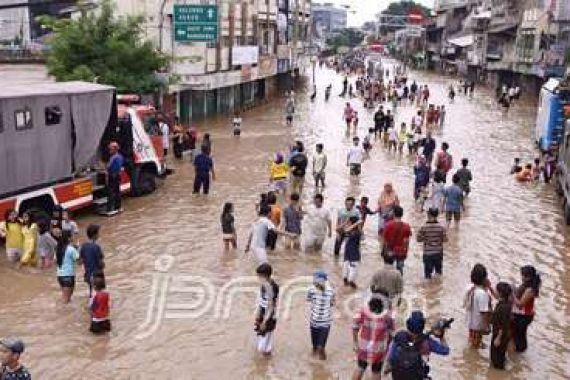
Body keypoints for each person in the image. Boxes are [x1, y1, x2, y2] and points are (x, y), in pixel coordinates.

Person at [387, 311, 449, 380]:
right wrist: (441, 337)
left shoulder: (399, 336)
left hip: (398, 376)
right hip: (417, 376)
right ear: (422, 326)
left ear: (408, 324)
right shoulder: (427, 341)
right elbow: (445, 350)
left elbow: (391, 358)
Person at [352, 297, 395, 380]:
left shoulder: (363, 311)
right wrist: (387, 348)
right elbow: (391, 334)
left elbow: (354, 326)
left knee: (360, 367)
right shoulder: (388, 316)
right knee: (376, 371)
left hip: (363, 347)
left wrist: (355, 342)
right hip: (378, 349)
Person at [306, 271, 335, 360]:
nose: (315, 282)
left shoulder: (331, 291)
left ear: (323, 281)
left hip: (325, 323)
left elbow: (332, 303)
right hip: (313, 322)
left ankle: (323, 365)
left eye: (317, 281)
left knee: (321, 348)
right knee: (314, 346)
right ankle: (316, 367)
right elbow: (309, 299)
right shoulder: (311, 289)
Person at [512, 265, 541, 353]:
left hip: (524, 316)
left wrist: (512, 293)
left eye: (523, 276)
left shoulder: (530, 290)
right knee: (520, 334)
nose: (522, 277)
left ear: (528, 277)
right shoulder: (528, 286)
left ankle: (519, 352)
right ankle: (520, 355)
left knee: (519, 336)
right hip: (524, 315)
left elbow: (520, 305)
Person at [463, 263, 492, 349]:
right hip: (478, 325)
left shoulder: (469, 287)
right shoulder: (482, 294)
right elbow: (484, 313)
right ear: (484, 278)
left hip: (470, 321)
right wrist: (487, 326)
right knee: (474, 347)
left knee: (472, 341)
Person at [254, 263, 279, 356]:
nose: (258, 278)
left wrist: (265, 321)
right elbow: (261, 301)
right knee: (264, 340)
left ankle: (263, 364)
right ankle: (267, 361)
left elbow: (271, 306)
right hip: (263, 315)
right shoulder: (264, 285)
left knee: (262, 346)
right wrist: (258, 314)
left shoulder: (273, 287)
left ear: (265, 275)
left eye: (259, 276)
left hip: (269, 317)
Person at [417, 208, 448, 279]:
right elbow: (445, 240)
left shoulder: (423, 227)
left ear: (428, 215)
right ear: (437, 215)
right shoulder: (441, 227)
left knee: (427, 276)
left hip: (427, 253)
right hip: (438, 253)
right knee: (438, 273)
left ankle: (429, 289)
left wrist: (426, 239)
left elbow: (418, 239)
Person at [382, 206, 411, 274]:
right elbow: (406, 241)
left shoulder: (388, 225)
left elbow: (385, 240)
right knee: (400, 270)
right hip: (401, 251)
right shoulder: (407, 226)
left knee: (388, 269)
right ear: (402, 214)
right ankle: (399, 283)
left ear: (394, 214)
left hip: (390, 250)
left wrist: (383, 251)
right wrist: (406, 251)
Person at [490, 282, 512, 369]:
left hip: (500, 335)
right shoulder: (506, 303)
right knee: (499, 356)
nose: (495, 291)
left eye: (496, 290)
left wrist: (498, 338)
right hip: (503, 335)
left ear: (500, 293)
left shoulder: (503, 307)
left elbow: (503, 324)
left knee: (496, 359)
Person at [80, 224, 105, 298]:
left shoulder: (83, 246)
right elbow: (100, 262)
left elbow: (80, 260)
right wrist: (103, 265)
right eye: (98, 233)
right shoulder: (96, 247)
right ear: (94, 235)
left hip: (88, 274)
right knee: (98, 294)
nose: (99, 235)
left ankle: (90, 306)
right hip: (96, 274)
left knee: (92, 292)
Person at [56, 230, 79, 303]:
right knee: (66, 300)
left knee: (66, 298)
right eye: (72, 235)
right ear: (69, 238)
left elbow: (54, 261)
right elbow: (79, 261)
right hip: (68, 276)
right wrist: (78, 250)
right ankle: (60, 313)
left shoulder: (58, 248)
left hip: (60, 276)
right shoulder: (71, 249)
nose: (73, 237)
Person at [343, 216, 362, 289]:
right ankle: (351, 289)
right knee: (347, 275)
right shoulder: (353, 231)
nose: (348, 223)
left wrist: (356, 224)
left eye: (349, 222)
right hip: (350, 253)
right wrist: (355, 224)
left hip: (351, 253)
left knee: (349, 277)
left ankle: (352, 289)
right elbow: (343, 230)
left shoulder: (356, 232)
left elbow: (346, 230)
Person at [106, 141, 124, 214]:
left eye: (110, 149)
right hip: (117, 176)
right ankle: (118, 207)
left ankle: (110, 209)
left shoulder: (114, 157)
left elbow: (108, 166)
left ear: (115, 149)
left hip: (113, 176)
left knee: (111, 193)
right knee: (117, 192)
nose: (109, 151)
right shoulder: (120, 156)